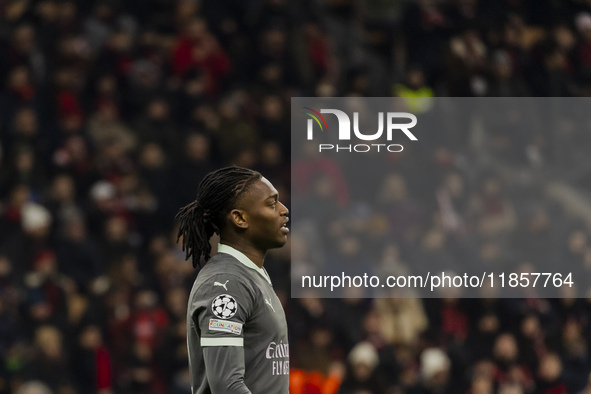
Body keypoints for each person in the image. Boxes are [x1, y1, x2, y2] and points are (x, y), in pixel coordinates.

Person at [176, 166, 290, 393]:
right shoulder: (226, 283)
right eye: (271, 203)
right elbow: (227, 386)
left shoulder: (250, 275)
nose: (284, 210)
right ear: (239, 218)